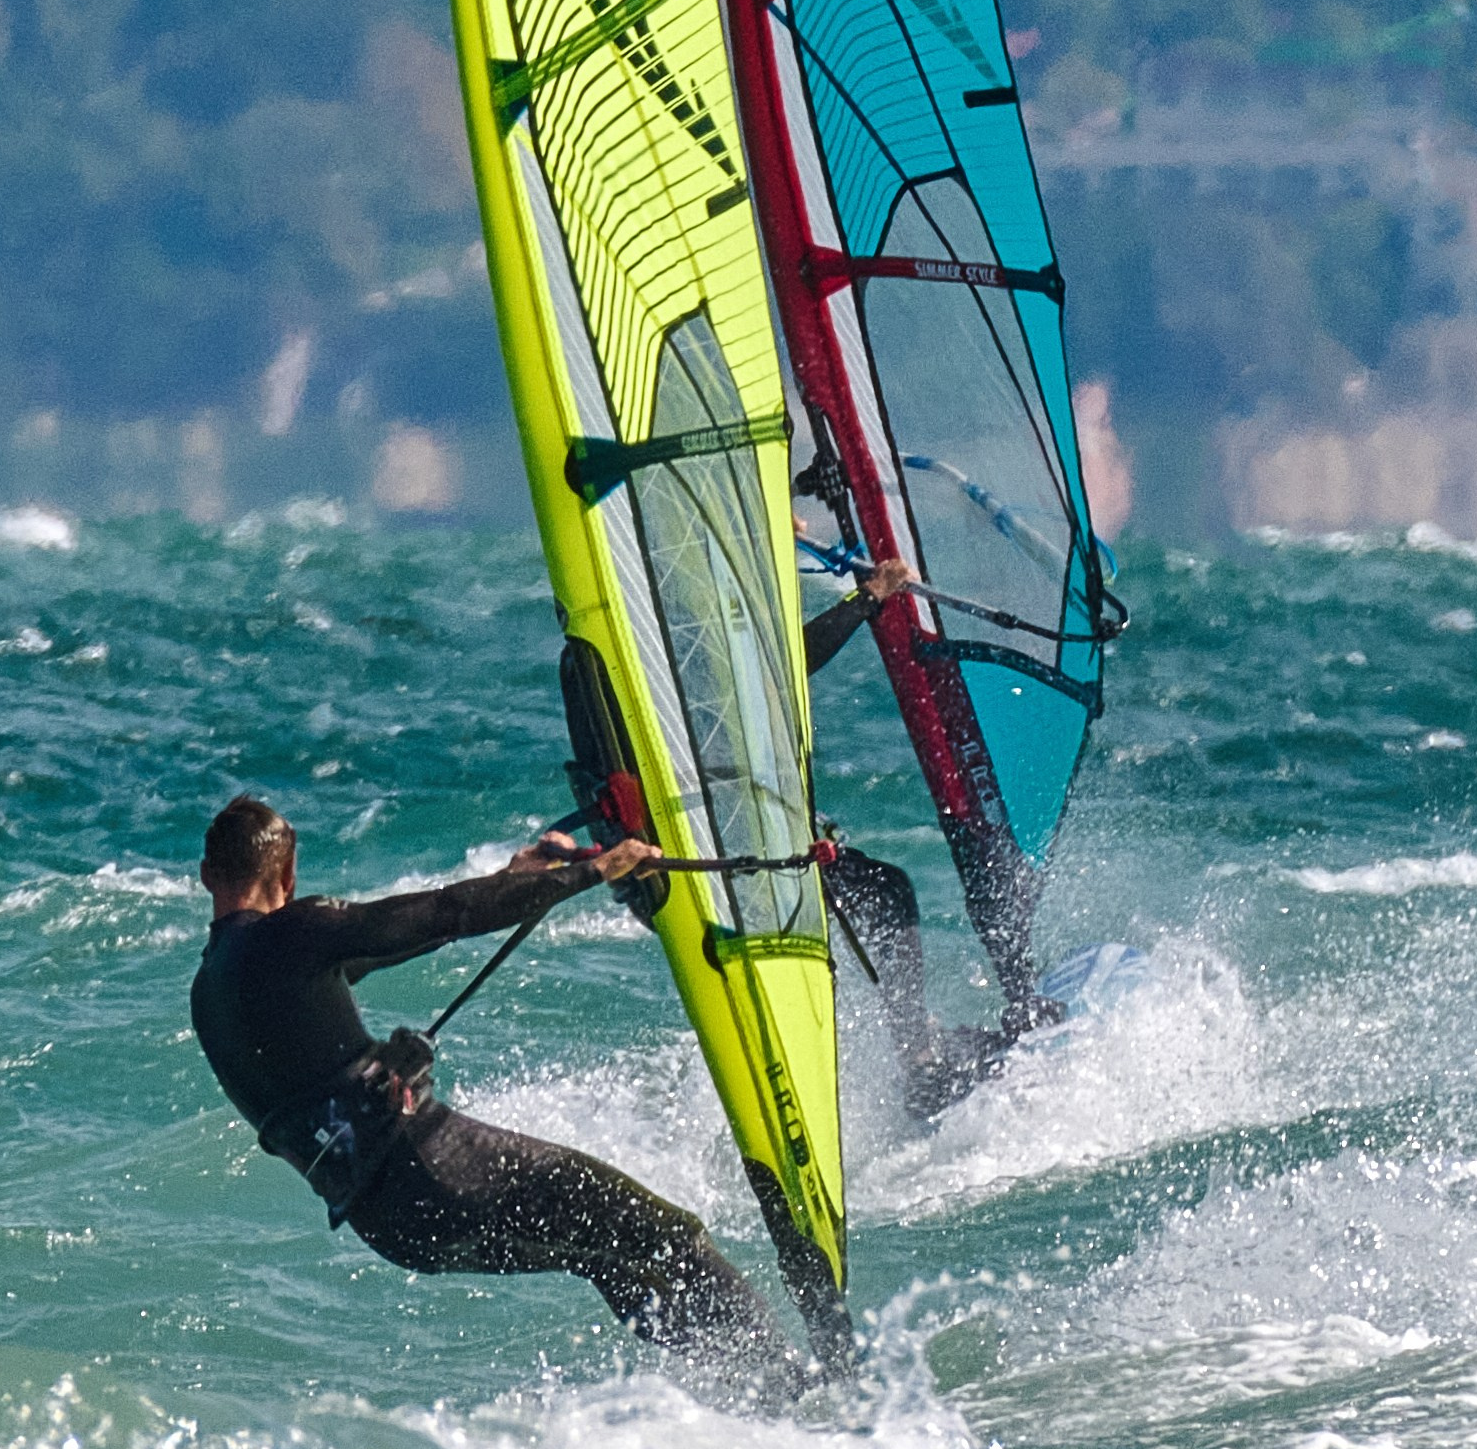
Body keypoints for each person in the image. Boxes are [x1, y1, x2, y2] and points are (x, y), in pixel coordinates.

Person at [189, 793, 810, 1397]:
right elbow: (444, 911)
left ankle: (750, 1389)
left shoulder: (212, 994)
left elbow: (403, 936)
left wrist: (515, 880)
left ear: (205, 875)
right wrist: (593, 871)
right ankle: (793, 1385)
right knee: (665, 1234)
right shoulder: (296, 933)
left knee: (604, 1257)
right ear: (290, 876)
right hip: (438, 1169)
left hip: (394, 1229)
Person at [802, 555, 1055, 1119]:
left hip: (738, 827)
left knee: (887, 890)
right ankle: (917, 1060)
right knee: (887, 896)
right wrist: (869, 597)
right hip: (741, 841)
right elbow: (789, 662)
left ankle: (913, 1054)